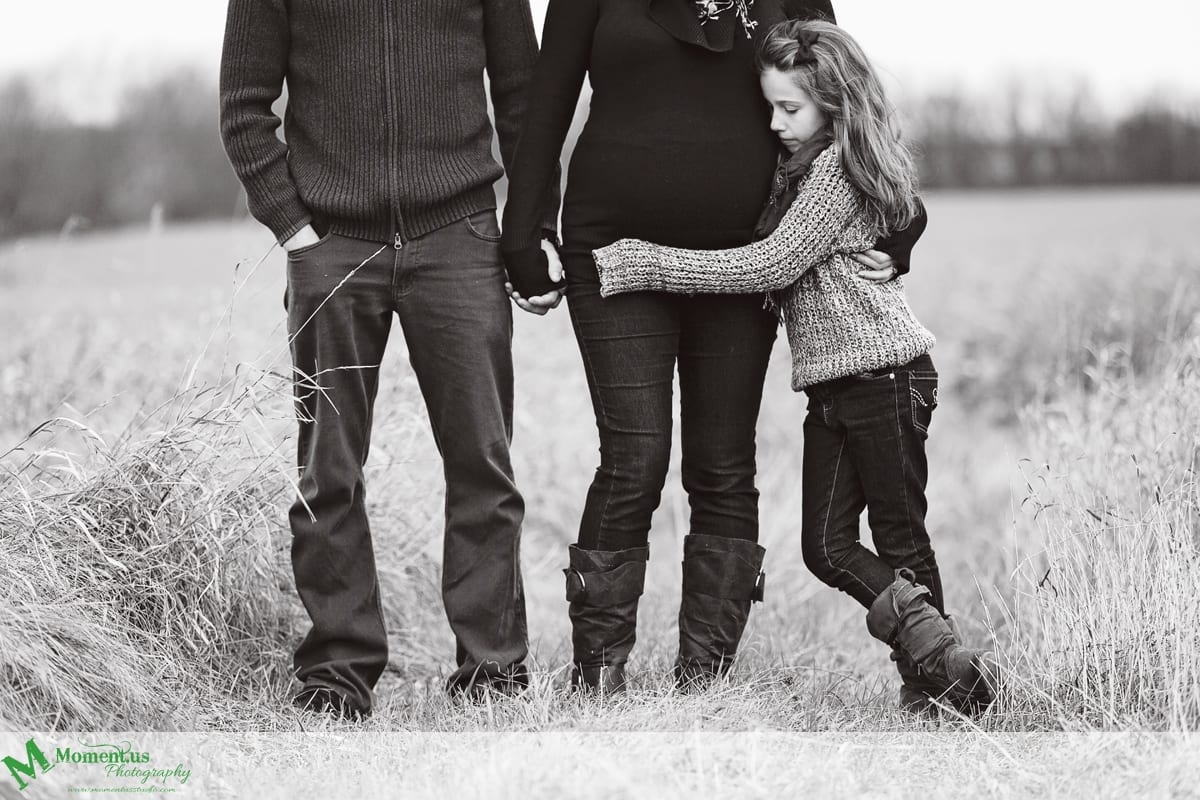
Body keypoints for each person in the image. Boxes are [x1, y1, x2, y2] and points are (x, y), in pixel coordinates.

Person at [500, 0, 919, 693]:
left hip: (746, 253)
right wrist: (523, 233)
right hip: (610, 251)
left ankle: (705, 680)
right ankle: (598, 675)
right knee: (635, 458)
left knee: (723, 465)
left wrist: (900, 224)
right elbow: (547, 101)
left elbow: (846, 92)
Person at [594, 19, 999, 713]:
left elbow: (771, 264)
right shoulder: (802, 170)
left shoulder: (835, 171)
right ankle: (940, 666)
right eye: (771, 108)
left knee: (900, 540)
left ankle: (938, 683)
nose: (777, 123)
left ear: (834, 104)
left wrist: (641, 262)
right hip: (836, 389)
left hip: (887, 378)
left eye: (791, 108)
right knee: (826, 546)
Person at [218, 0, 557, 718]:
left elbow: (524, 96)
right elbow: (243, 107)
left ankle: (492, 672)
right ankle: (338, 673)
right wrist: (294, 227)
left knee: (482, 464)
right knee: (328, 470)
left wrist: (530, 224)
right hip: (332, 245)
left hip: (459, 235)